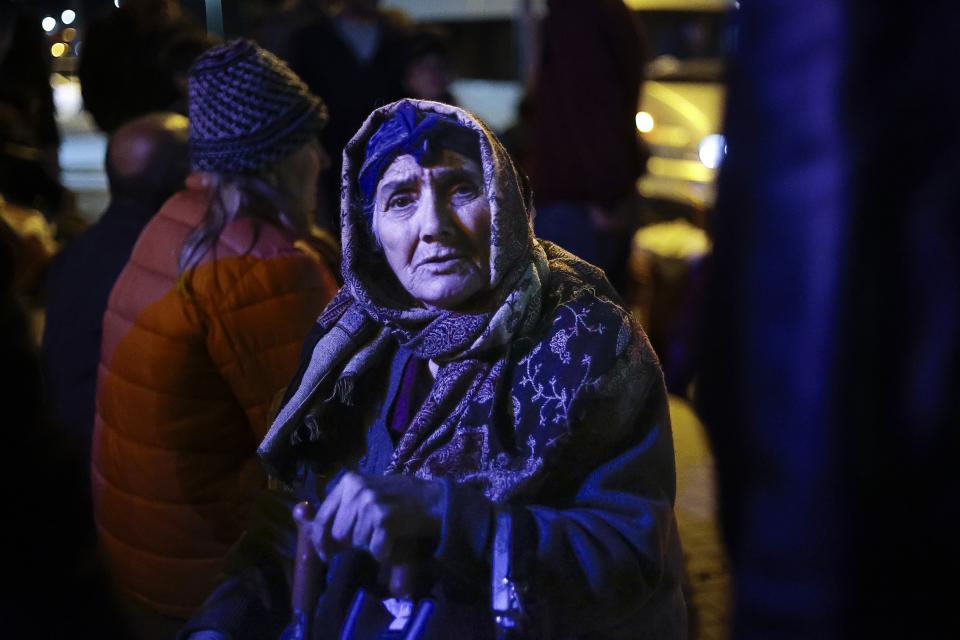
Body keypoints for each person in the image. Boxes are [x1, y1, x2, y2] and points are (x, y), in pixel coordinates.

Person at [183, 99, 686, 639]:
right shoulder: (354, 335)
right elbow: (297, 513)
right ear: (368, 227)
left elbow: (630, 552)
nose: (433, 227)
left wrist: (445, 518)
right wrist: (224, 622)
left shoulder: (588, 338)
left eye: (461, 190)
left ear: (507, 202)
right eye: (400, 199)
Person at [92, 40, 340, 635]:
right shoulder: (264, 267)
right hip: (213, 576)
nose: (324, 161)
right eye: (309, 142)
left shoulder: (179, 220)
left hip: (142, 558)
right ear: (278, 160)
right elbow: (323, 445)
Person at [42, 112, 190, 480]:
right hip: (130, 463)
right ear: (182, 177)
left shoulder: (78, 253)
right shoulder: (167, 264)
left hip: (76, 450)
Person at [530, 0, 647, 293]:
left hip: (580, 204)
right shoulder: (596, 10)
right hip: (587, 200)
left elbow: (592, 103)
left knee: (581, 322)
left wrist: (606, 194)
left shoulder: (578, 11)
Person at [282, 0, 411, 233]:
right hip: (333, 162)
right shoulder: (309, 40)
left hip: (393, 155)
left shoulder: (400, 37)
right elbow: (297, 105)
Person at [78, 0, 202, 133]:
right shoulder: (107, 30)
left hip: (177, 128)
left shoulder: (183, 28)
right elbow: (92, 81)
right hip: (128, 128)